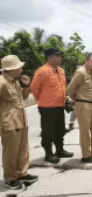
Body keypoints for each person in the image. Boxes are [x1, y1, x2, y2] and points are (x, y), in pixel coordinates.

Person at [0, 55, 38, 189]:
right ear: (10, 69)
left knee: (23, 150)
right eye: (18, 67)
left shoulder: (14, 82)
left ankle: (22, 173)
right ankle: (10, 178)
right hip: (9, 123)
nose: (21, 69)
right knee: (11, 152)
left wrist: (26, 85)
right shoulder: (2, 82)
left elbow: (24, 98)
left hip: (21, 120)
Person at [30, 48, 73, 164]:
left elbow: (63, 88)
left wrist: (66, 98)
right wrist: (43, 99)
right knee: (48, 131)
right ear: (49, 57)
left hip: (60, 105)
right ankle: (48, 154)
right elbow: (34, 88)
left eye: (60, 56)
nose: (59, 57)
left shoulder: (61, 71)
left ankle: (60, 150)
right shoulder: (42, 71)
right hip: (47, 107)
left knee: (60, 130)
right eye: (57, 55)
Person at [67, 52, 92, 163]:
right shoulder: (81, 72)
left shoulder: (91, 72)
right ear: (86, 61)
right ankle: (86, 156)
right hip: (83, 104)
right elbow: (70, 89)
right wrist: (77, 100)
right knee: (85, 132)